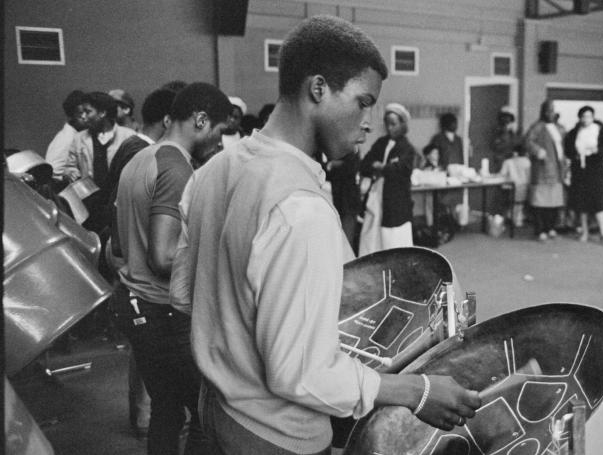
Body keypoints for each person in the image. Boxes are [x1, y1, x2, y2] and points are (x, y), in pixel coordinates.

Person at [170, 16, 480, 455]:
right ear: (318, 89)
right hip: (277, 435)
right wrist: (417, 391)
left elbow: (184, 295)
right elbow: (300, 374)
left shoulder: (213, 171)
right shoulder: (301, 209)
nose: (368, 121)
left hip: (218, 412)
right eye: (362, 102)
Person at [115, 82, 232, 455]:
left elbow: (120, 244)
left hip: (135, 306)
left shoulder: (140, 158)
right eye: (219, 130)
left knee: (167, 410)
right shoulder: (176, 168)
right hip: (162, 314)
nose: (219, 141)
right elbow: (163, 257)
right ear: (200, 119)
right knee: (205, 415)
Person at [105, 87, 177, 440]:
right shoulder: (146, 154)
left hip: (131, 266)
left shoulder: (131, 153)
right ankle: (144, 417)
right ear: (169, 120)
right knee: (157, 371)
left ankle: (146, 417)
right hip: (146, 281)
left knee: (148, 361)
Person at [60, 91, 138, 237]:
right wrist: (69, 172)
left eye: (88, 112)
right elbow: (69, 166)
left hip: (118, 205)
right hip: (88, 205)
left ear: (102, 113)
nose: (83, 116)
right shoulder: (79, 138)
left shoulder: (129, 137)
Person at [359, 103, 416, 256]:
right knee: (373, 237)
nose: (390, 128)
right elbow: (365, 164)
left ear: (402, 125)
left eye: (394, 124)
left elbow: (400, 170)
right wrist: (383, 167)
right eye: (387, 124)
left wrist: (382, 168)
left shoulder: (407, 149)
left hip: (396, 201)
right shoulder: (381, 143)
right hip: (378, 196)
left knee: (394, 239)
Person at [564, 105, 603, 243]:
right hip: (580, 169)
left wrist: (596, 150)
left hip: (595, 168)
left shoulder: (599, 131)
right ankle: (584, 232)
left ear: (593, 117)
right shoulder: (573, 133)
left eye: (589, 116)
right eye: (583, 116)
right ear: (579, 118)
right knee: (582, 202)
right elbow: (568, 150)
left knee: (598, 200)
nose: (586, 119)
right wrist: (576, 155)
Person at [526, 100, 566, 241]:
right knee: (540, 202)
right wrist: (537, 150)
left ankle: (550, 228)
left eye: (553, 110)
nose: (551, 113)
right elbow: (528, 142)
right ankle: (539, 230)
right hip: (542, 171)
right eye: (548, 111)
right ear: (543, 112)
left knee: (554, 202)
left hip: (557, 171)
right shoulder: (537, 127)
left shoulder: (560, 128)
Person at [46, 89, 87, 176]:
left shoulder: (77, 135)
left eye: (87, 112)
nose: (85, 117)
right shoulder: (67, 138)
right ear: (72, 115)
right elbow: (53, 168)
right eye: (80, 114)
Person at [499, 142, 531, 228]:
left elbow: (502, 174)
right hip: (524, 187)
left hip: (509, 188)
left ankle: (512, 217)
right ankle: (517, 219)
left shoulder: (508, 162)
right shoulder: (527, 162)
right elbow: (529, 176)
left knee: (512, 203)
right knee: (519, 203)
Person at [490, 106, 521, 173]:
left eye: (509, 117)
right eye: (504, 117)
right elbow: (496, 145)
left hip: (512, 160)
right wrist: (505, 131)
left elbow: (517, 144)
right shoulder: (497, 131)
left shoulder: (514, 132)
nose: (506, 119)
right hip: (500, 160)